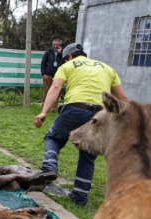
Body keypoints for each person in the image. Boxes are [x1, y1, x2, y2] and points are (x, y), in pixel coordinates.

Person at [32, 43, 128, 206]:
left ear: (69, 57)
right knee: (88, 154)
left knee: (53, 138)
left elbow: (55, 87)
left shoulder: (68, 66)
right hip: (101, 114)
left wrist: (44, 111)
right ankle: (80, 196)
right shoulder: (107, 68)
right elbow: (123, 99)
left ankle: (49, 167)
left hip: (75, 108)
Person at [40, 38, 63, 111]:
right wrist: (43, 73)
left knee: (56, 92)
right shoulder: (48, 52)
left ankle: (54, 107)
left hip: (58, 75)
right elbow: (43, 62)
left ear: (60, 44)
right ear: (52, 45)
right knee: (47, 91)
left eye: (57, 44)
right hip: (48, 75)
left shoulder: (63, 52)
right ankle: (44, 106)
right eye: (54, 44)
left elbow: (65, 61)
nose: (56, 46)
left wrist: (60, 53)